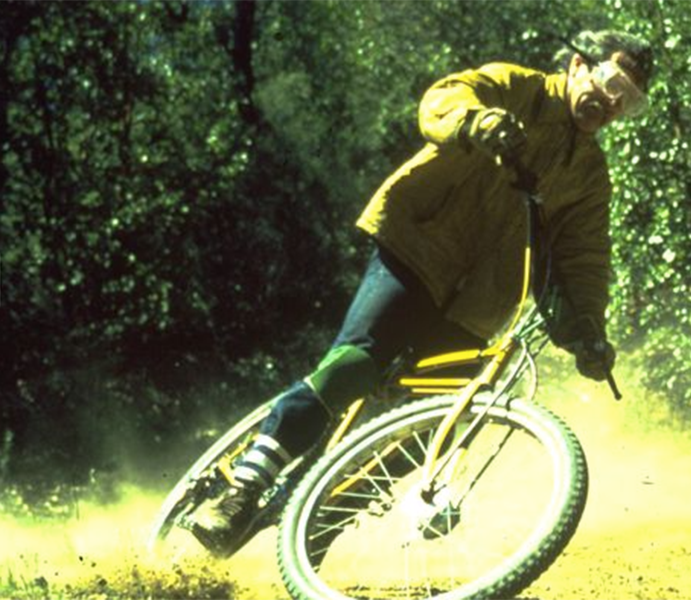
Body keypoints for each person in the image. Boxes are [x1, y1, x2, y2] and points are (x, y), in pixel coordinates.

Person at [187, 30, 655, 555]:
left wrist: (586, 331)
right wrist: (476, 122)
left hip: (478, 308)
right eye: (612, 82)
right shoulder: (517, 87)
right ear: (577, 66)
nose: (613, 103)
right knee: (355, 364)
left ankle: (319, 527)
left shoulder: (590, 175)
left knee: (436, 426)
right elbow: (444, 99)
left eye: (630, 102)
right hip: (417, 249)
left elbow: (582, 259)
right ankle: (241, 489)